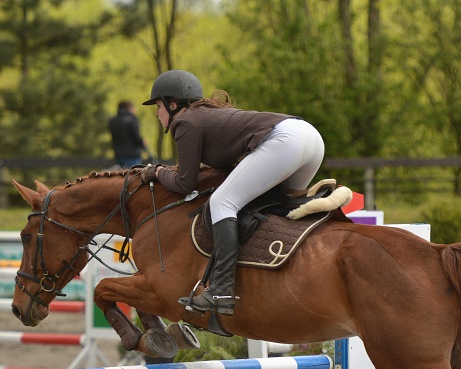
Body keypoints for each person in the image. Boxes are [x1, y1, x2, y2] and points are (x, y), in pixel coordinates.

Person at [141, 70, 325, 317]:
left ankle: (222, 290)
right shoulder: (205, 116)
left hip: (286, 141)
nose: (157, 113)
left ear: (173, 105)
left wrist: (157, 172)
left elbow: (186, 183)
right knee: (267, 204)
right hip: (310, 138)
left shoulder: (185, 122)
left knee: (222, 203)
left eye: (159, 106)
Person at [108, 100, 150, 169]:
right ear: (129, 108)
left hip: (118, 154)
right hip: (132, 155)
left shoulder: (113, 121)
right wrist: (143, 142)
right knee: (133, 176)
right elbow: (136, 137)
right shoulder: (132, 120)